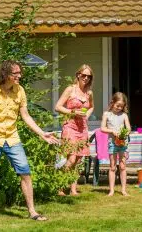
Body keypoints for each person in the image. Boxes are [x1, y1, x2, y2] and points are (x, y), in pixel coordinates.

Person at [0, 60, 59, 222]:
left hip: (12, 138)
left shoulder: (20, 91)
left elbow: (25, 115)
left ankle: (32, 212)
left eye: (20, 73)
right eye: (16, 73)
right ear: (6, 74)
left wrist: (41, 133)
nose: (20, 76)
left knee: (25, 173)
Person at [55, 64, 94, 196]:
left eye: (89, 76)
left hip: (82, 128)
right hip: (70, 126)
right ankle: (60, 186)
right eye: (84, 75)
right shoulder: (70, 89)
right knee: (71, 159)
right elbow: (58, 107)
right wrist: (72, 111)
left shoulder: (89, 93)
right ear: (78, 75)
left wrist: (86, 116)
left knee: (78, 160)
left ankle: (73, 189)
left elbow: (91, 107)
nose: (86, 78)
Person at [100, 92, 131, 196]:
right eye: (117, 105)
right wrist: (112, 131)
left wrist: (125, 133)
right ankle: (112, 190)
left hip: (122, 143)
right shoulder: (106, 114)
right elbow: (102, 128)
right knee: (112, 167)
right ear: (112, 103)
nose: (119, 108)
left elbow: (129, 128)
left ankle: (123, 190)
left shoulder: (124, 115)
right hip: (112, 143)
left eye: (121, 106)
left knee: (122, 166)